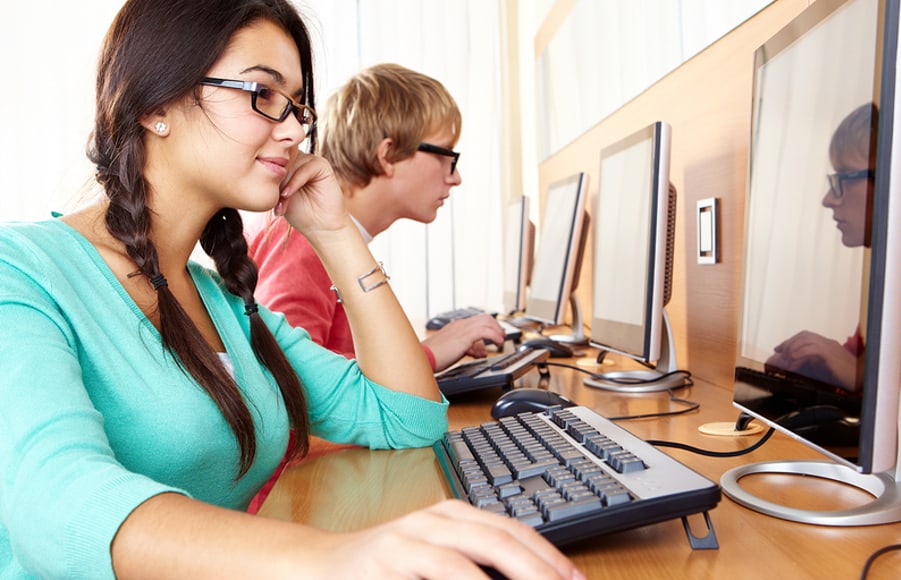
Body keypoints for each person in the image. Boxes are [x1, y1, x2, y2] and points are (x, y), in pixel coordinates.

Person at [0, 1, 579, 578]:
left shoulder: (226, 304)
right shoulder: (21, 269)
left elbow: (408, 415)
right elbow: (55, 508)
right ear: (156, 104)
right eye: (263, 94)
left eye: (298, 106)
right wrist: (335, 555)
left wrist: (336, 235)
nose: (297, 128)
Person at [248, 63, 506, 373]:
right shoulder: (303, 237)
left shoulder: (337, 240)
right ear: (387, 155)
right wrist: (427, 355)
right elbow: (289, 375)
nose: (456, 177)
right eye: (447, 154)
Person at [765, 103, 876, 392]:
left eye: (843, 180)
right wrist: (818, 367)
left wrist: (853, 372)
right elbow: (859, 365)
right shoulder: (884, 278)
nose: (828, 199)